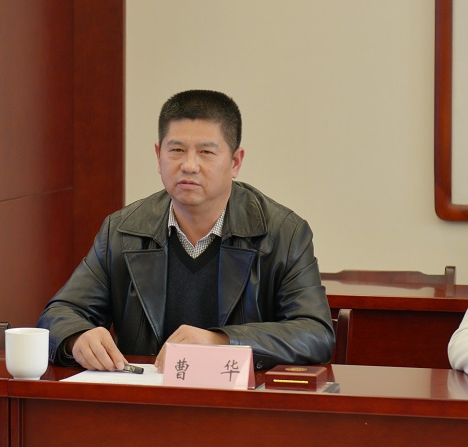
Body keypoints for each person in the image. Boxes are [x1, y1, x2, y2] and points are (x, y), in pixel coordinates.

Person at [37, 89, 335, 372]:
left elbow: (315, 333)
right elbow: (59, 314)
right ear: (159, 156)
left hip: (242, 402)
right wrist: (77, 338)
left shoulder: (283, 233)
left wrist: (221, 342)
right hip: (148, 400)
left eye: (206, 152)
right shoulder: (122, 230)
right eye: (177, 150)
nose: (189, 165)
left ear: (235, 162)